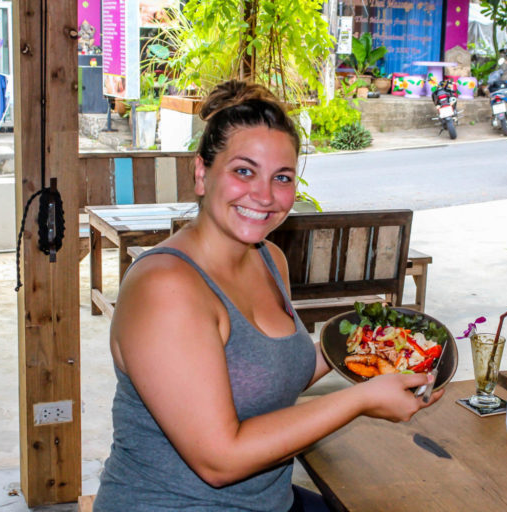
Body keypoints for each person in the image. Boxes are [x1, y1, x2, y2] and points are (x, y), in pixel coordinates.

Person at [93, 79, 444, 512]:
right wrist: (361, 399)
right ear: (202, 173)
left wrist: (371, 351)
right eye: (244, 171)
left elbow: (268, 368)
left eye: (282, 178)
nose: (264, 195)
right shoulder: (165, 287)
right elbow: (219, 459)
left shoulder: (268, 257)